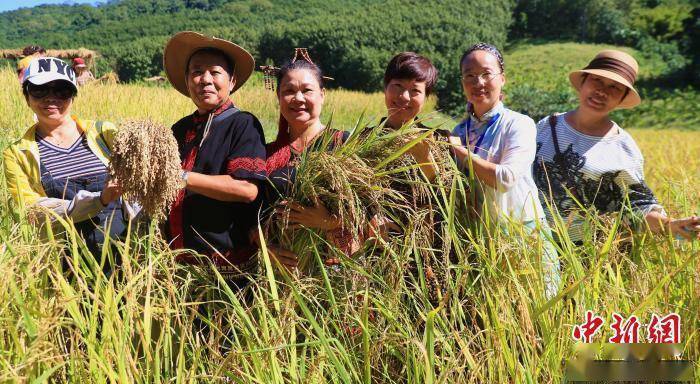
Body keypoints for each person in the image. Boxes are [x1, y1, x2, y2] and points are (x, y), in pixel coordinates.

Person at [532, 49, 700, 243]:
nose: (602, 92)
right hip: (536, 246)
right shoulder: (548, 124)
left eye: (615, 88)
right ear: (584, 82)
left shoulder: (623, 147)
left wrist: (667, 224)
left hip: (587, 255)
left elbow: (637, 207)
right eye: (597, 80)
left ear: (622, 98)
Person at [448, 43, 559, 297]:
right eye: (469, 75)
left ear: (502, 79)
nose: (479, 82)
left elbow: (505, 179)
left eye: (487, 73)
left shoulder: (519, 124)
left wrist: (461, 152)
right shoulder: (458, 132)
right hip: (481, 239)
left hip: (525, 234)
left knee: (540, 318)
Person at [3, 57, 137, 257]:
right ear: (27, 97)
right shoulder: (17, 154)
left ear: (73, 95)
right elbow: (33, 210)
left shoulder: (105, 133)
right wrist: (98, 200)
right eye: (40, 90)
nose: (51, 98)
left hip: (124, 251)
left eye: (61, 91)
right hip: (64, 259)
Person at [163, 31, 267, 287]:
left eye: (215, 72)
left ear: (231, 81)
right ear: (187, 81)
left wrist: (183, 177)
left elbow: (247, 189)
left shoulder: (243, 124)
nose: (205, 80)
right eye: (196, 72)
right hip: (179, 268)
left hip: (227, 270)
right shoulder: (180, 129)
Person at [262, 52, 351, 269]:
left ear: (322, 95)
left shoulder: (343, 144)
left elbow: (369, 209)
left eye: (307, 90)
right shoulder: (267, 153)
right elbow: (250, 214)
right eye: (289, 91)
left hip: (333, 272)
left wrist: (329, 221)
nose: (298, 98)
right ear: (278, 97)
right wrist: (267, 249)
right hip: (279, 274)